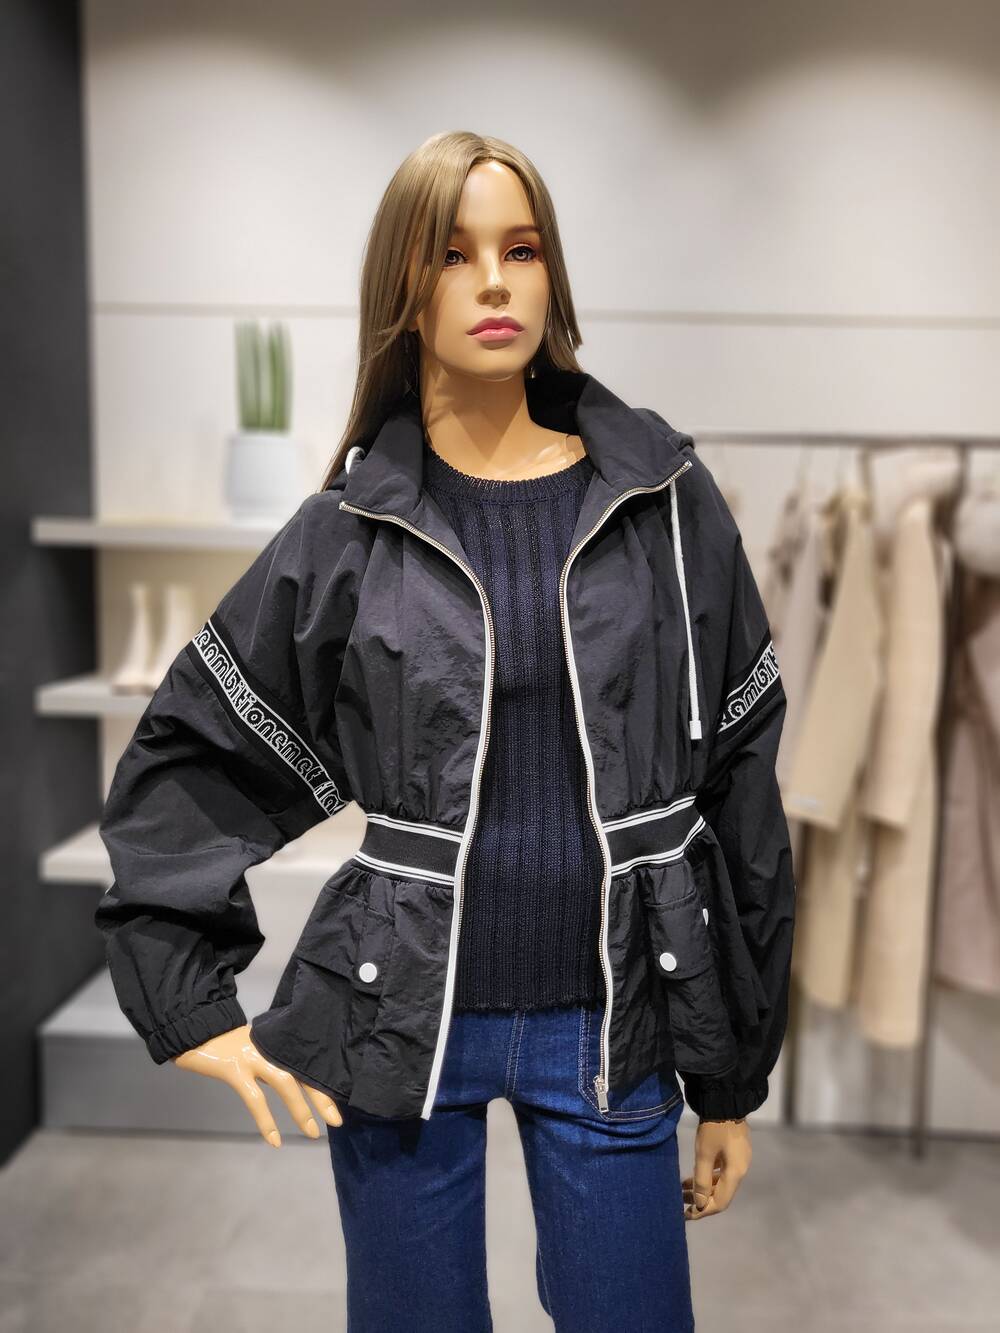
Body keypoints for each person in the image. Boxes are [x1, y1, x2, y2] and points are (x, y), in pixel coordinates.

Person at [95, 131, 796, 1333]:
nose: (492, 282)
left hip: (615, 1014)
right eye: (453, 254)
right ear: (405, 287)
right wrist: (182, 993)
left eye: (519, 249)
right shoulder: (347, 532)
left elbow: (739, 785)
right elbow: (198, 749)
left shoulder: (665, 508)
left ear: (551, 272)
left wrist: (729, 1074)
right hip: (399, 1014)